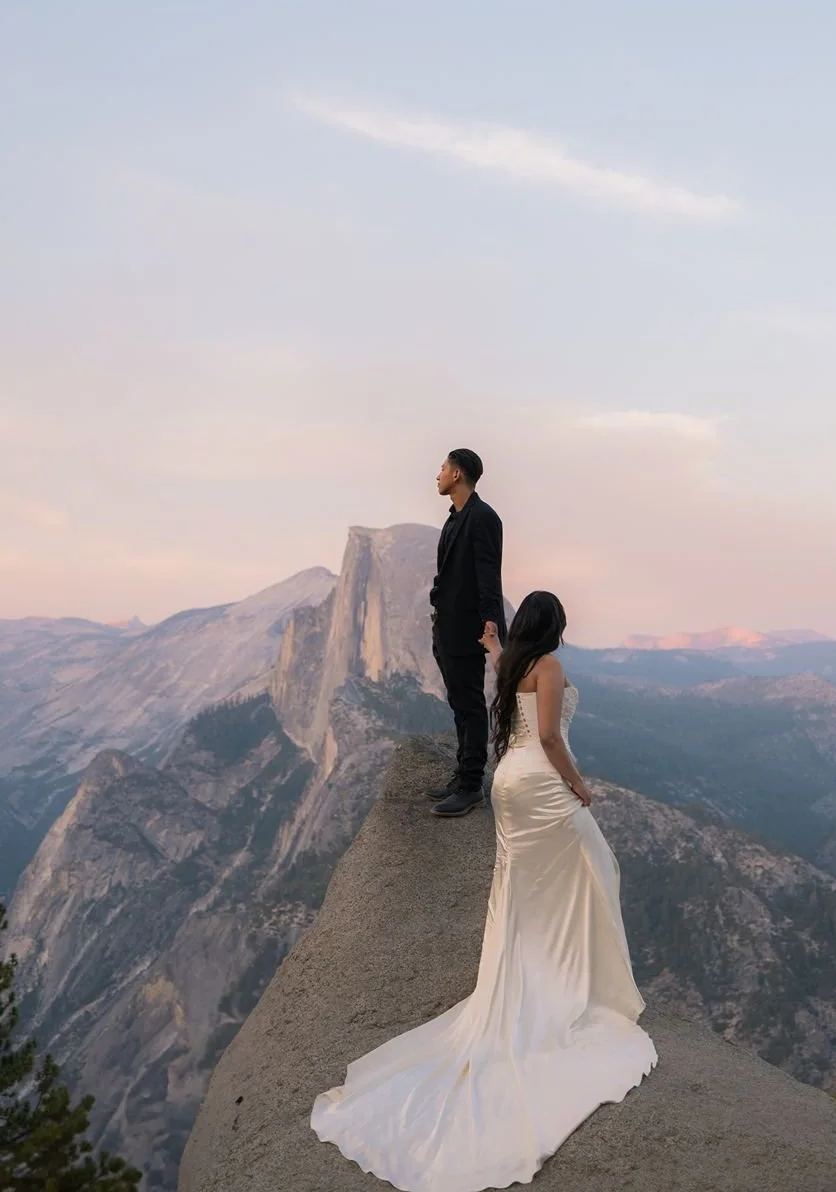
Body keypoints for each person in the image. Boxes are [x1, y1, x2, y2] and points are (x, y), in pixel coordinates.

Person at [310, 590, 657, 1191]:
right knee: (596, 863)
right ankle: (575, 980)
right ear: (555, 628)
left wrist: (496, 645)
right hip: (543, 783)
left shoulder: (515, 662)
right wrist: (581, 786)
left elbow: (504, 681)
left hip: (508, 785)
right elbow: (549, 736)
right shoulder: (545, 666)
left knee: (521, 891)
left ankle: (546, 972)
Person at [426, 448, 507, 817]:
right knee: (459, 703)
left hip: (469, 629)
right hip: (447, 627)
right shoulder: (453, 519)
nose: (438, 474)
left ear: (457, 475)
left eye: (443, 468)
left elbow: (489, 573)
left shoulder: (483, 518)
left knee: (471, 704)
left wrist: (491, 620)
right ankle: (463, 774)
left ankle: (472, 784)